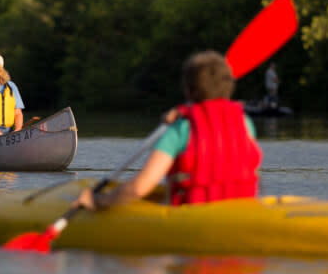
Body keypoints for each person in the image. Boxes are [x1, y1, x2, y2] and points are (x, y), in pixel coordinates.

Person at [74, 50, 262, 210]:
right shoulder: (245, 123)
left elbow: (140, 187)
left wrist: (98, 200)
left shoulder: (180, 129)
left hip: (191, 217)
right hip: (240, 212)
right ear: (229, 88)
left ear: (188, 90)